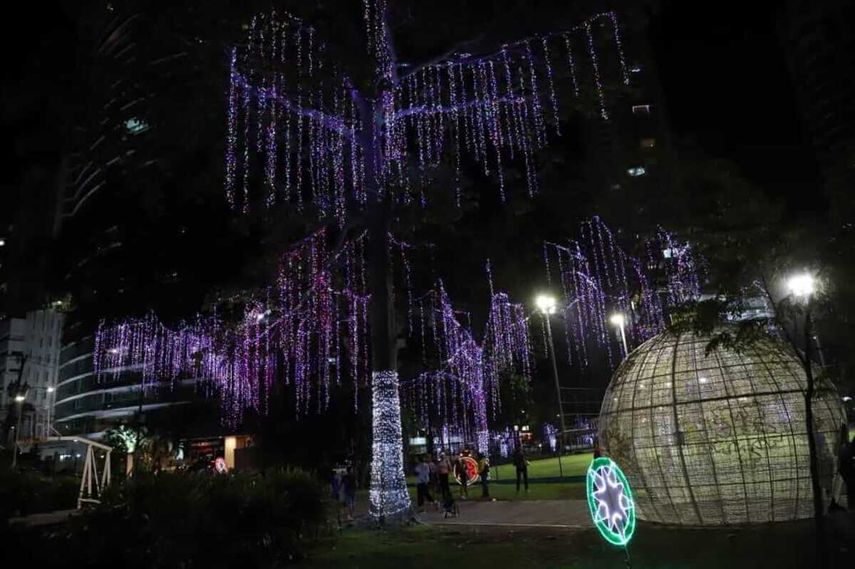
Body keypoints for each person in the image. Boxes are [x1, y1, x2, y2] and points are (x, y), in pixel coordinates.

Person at [838, 423, 854, 510]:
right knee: (851, 488)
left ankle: (851, 506)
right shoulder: (845, 445)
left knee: (850, 489)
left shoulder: (842, 445)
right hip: (848, 469)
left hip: (845, 469)